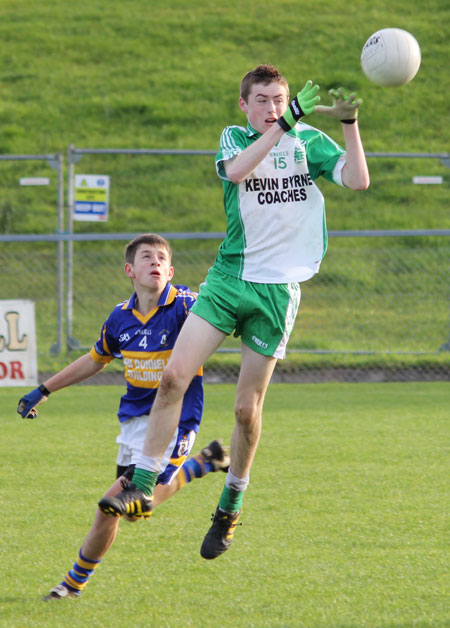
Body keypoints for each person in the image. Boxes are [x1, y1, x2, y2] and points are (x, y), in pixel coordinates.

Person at [98, 65, 370, 559]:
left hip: (276, 292)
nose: (272, 108)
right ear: (244, 105)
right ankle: (140, 481)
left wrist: (349, 125)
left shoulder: (306, 140)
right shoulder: (235, 138)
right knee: (174, 377)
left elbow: (357, 180)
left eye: (280, 99)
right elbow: (238, 171)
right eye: (262, 100)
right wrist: (286, 125)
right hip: (228, 280)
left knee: (246, 411)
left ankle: (230, 504)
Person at [16, 233, 230, 599]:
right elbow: (94, 359)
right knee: (133, 512)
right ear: (130, 270)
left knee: (109, 506)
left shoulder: (188, 308)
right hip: (134, 424)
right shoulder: (120, 318)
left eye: (162, 258)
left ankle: (71, 585)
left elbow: (224, 316)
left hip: (175, 422)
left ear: (172, 269)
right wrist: (44, 389)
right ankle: (203, 463)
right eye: (147, 257)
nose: (156, 263)